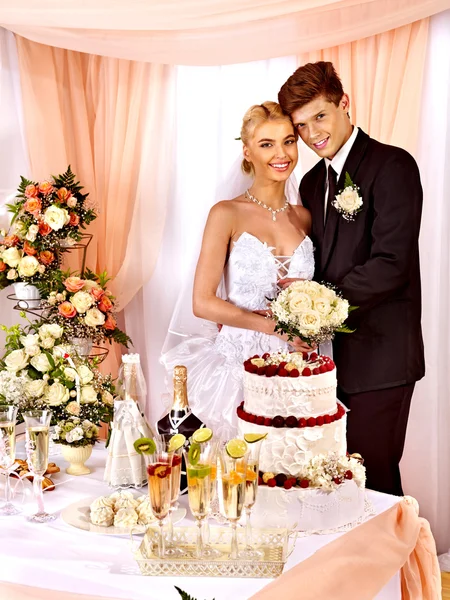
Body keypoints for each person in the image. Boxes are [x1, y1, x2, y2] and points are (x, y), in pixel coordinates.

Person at [278, 61, 425, 496]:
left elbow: (391, 263)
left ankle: (401, 567)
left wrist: (317, 304)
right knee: (336, 486)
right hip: (327, 364)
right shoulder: (308, 183)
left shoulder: (393, 165)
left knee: (374, 483)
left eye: (319, 116)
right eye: (301, 126)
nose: (312, 134)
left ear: (345, 103)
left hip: (381, 359)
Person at [161, 101, 314, 437]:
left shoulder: (304, 217)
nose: (281, 153)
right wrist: (273, 327)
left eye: (288, 141)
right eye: (266, 144)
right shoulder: (226, 213)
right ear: (247, 152)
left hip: (297, 367)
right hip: (238, 366)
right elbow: (202, 302)